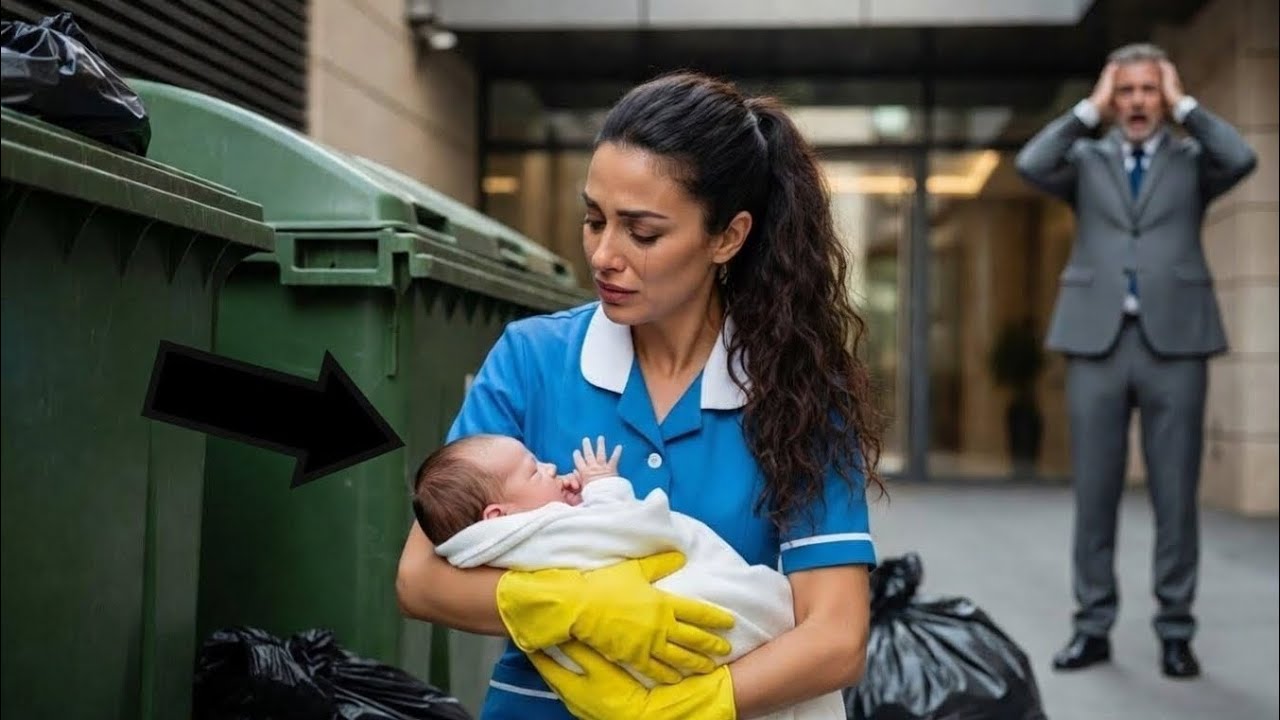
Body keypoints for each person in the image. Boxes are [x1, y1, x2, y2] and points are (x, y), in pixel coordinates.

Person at [396, 70, 883, 720]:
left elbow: (837, 637)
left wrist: (690, 707)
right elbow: (421, 579)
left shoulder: (797, 390)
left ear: (727, 237)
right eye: (593, 220)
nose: (604, 254)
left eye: (642, 233)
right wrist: (570, 605)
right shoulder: (532, 359)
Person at [1016, 43, 1256, 679]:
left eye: (1149, 90)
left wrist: (1186, 105)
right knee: (1095, 493)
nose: (1138, 102)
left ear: (1164, 95)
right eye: (1126, 91)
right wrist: (1087, 110)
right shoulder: (1085, 159)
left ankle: (1176, 629)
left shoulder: (1194, 159)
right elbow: (1030, 162)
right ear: (1112, 99)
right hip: (1095, 340)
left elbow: (1242, 156)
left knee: (1175, 495)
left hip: (1176, 342)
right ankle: (1092, 627)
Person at [413, 434, 845, 719]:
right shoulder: (545, 529)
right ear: (497, 516)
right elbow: (638, 530)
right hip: (692, 628)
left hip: (650, 673)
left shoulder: (490, 548)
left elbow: (839, 642)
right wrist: (605, 490)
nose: (550, 467)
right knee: (757, 611)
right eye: (533, 471)